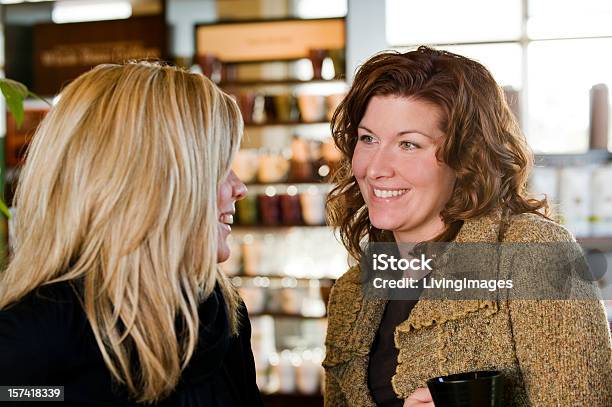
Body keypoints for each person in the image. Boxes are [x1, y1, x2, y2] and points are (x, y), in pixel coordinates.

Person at [323, 47, 612, 407]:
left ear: (466, 157)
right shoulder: (353, 292)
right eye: (368, 139)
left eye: (408, 144)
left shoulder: (532, 254)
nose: (377, 167)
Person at [0, 62, 263, 407]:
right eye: (215, 168)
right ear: (149, 183)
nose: (239, 188)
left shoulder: (220, 314)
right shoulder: (31, 337)